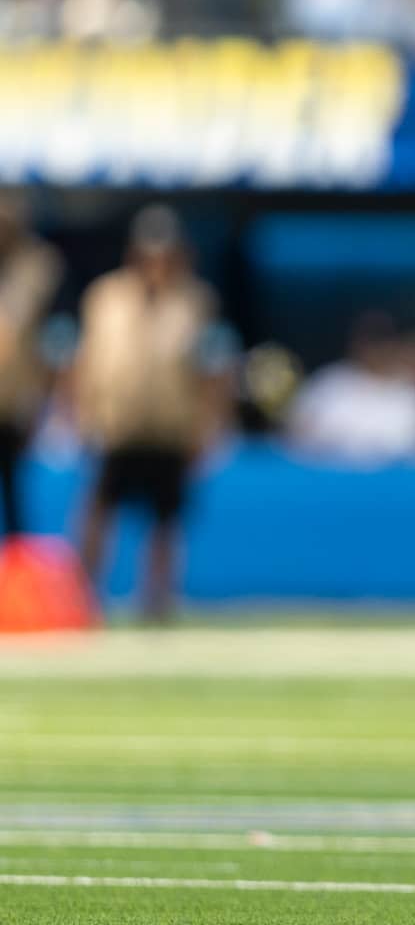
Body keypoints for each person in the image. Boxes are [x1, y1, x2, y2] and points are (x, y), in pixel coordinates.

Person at [72, 206, 228, 623]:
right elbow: (87, 362)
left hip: (169, 427)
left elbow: (211, 371)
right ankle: (85, 598)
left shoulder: (196, 301)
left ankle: (157, 603)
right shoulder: (106, 297)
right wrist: (82, 415)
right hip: (118, 426)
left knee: (166, 521)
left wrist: (207, 428)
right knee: (98, 511)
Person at [286, 312, 415, 467]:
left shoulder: (411, 393)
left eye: (381, 342)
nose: (375, 350)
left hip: (393, 487)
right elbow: (296, 439)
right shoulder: (327, 385)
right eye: (370, 341)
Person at [0, 195, 62, 538]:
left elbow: (46, 341)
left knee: (15, 499)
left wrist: (40, 402)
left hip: (12, 403)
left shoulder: (33, 269)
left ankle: (16, 585)